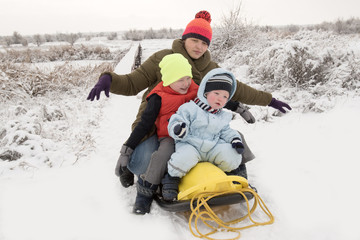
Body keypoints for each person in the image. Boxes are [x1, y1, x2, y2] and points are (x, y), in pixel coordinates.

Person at [87, 10, 291, 187]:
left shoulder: (211, 69)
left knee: (220, 144)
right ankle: (130, 167)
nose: (199, 47)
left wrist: (269, 100)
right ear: (185, 38)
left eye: (204, 43)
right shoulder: (162, 58)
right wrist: (108, 79)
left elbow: (237, 90)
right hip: (157, 126)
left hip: (195, 127)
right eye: (194, 40)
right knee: (143, 163)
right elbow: (132, 83)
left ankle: (227, 176)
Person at [115, 53, 199, 214]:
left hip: (193, 135)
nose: (186, 83)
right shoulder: (158, 97)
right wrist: (126, 150)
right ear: (168, 79)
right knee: (161, 157)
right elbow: (143, 125)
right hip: (169, 137)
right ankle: (145, 193)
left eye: (188, 78)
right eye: (180, 79)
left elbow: (215, 95)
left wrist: (237, 107)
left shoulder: (195, 89)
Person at [161, 68, 246, 201]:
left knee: (230, 154)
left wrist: (235, 139)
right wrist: (179, 128)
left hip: (213, 146)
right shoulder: (190, 108)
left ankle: (232, 174)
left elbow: (226, 130)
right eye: (216, 93)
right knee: (183, 158)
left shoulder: (222, 115)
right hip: (191, 144)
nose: (220, 98)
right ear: (205, 93)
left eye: (225, 96)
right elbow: (177, 120)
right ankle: (171, 179)